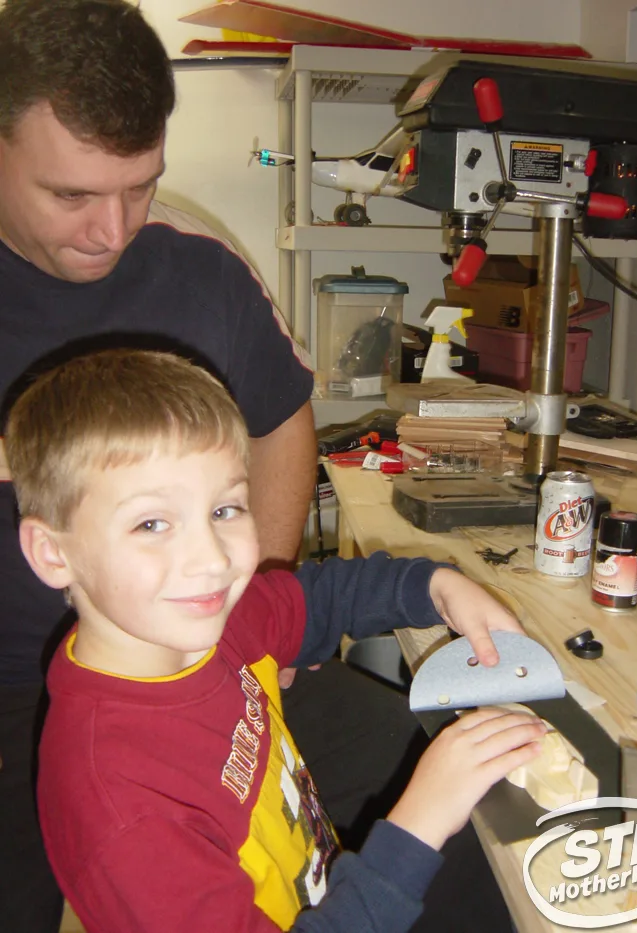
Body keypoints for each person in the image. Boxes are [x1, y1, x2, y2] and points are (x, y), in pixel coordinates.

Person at [0, 3, 520, 931]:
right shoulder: (118, 802)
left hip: (203, 661)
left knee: (451, 809)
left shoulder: (200, 273)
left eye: (140, 187)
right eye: (72, 196)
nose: (111, 230)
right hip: (49, 701)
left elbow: (285, 451)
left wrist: (419, 586)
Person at [4, 348, 546, 933]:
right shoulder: (121, 809)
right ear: (53, 553)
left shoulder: (201, 626)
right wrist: (418, 825)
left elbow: (314, 600)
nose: (211, 560)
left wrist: (434, 587)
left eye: (225, 508)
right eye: (152, 524)